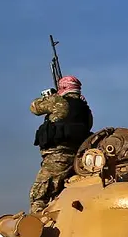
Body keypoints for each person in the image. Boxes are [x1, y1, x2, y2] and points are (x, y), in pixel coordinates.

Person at [28, 75, 93, 214]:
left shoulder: (59, 102)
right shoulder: (85, 108)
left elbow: (34, 107)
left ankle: (39, 226)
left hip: (57, 156)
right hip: (79, 157)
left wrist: (50, 96)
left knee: (40, 195)